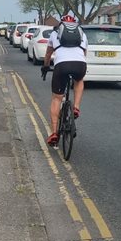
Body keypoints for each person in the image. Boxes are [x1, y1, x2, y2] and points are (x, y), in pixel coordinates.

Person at [41, 14, 88, 147]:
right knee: (79, 80)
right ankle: (76, 108)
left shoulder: (55, 33)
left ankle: (54, 132)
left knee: (56, 98)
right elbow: (84, 54)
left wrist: (45, 66)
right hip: (79, 64)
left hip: (61, 65)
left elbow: (48, 54)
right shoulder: (82, 34)